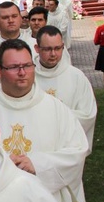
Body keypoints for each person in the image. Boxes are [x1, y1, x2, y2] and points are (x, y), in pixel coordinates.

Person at [0, 39, 89, 202]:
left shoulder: (56, 109)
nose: (22, 73)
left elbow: (78, 150)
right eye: (14, 67)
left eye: (27, 66)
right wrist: (2, 164)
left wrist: (38, 164)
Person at [34, 26, 97, 154]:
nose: (53, 54)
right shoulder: (27, 76)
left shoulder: (76, 77)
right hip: (36, 142)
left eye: (58, 48)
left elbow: (88, 114)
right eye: (47, 49)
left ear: (63, 46)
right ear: (37, 49)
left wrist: (56, 117)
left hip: (66, 144)